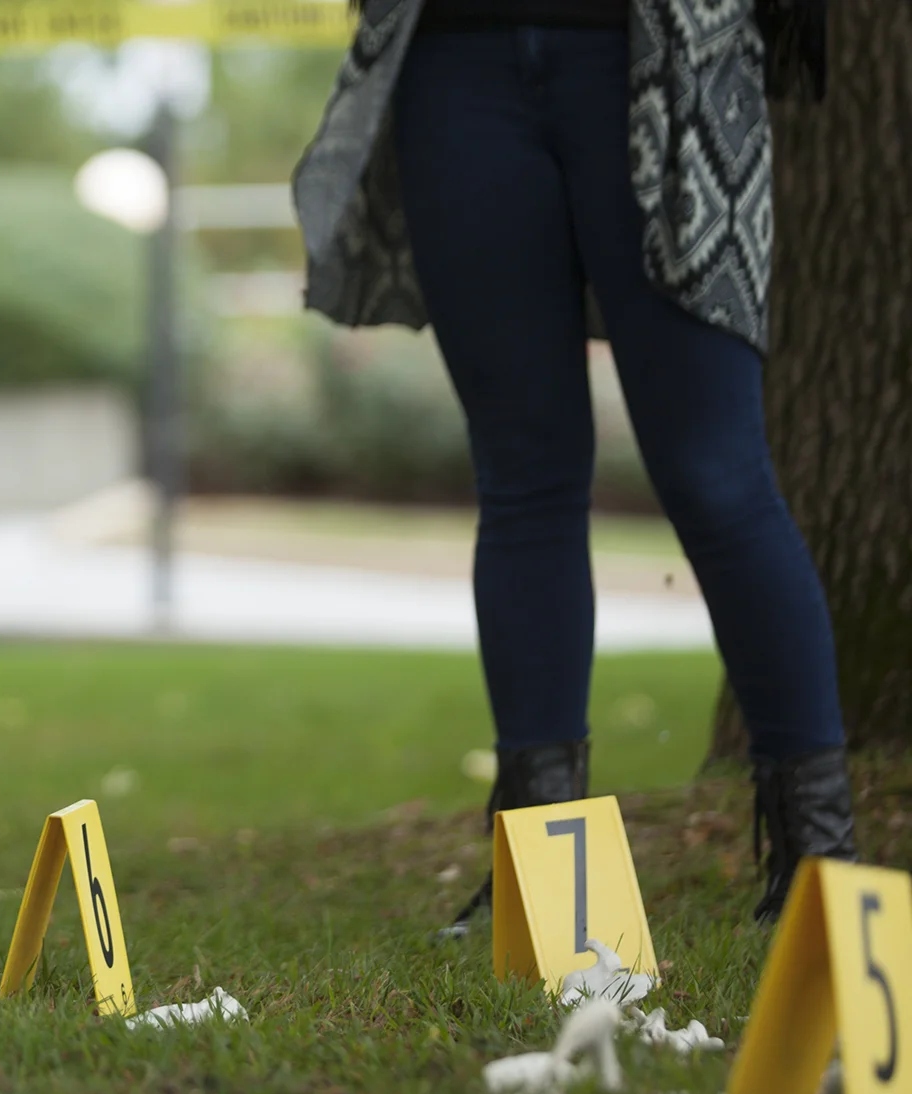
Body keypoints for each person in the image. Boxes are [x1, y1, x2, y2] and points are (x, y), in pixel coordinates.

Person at [294, 0, 848, 929]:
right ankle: (546, 876)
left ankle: (820, 860)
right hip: (456, 55)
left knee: (716, 473)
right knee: (522, 475)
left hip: (666, 58)